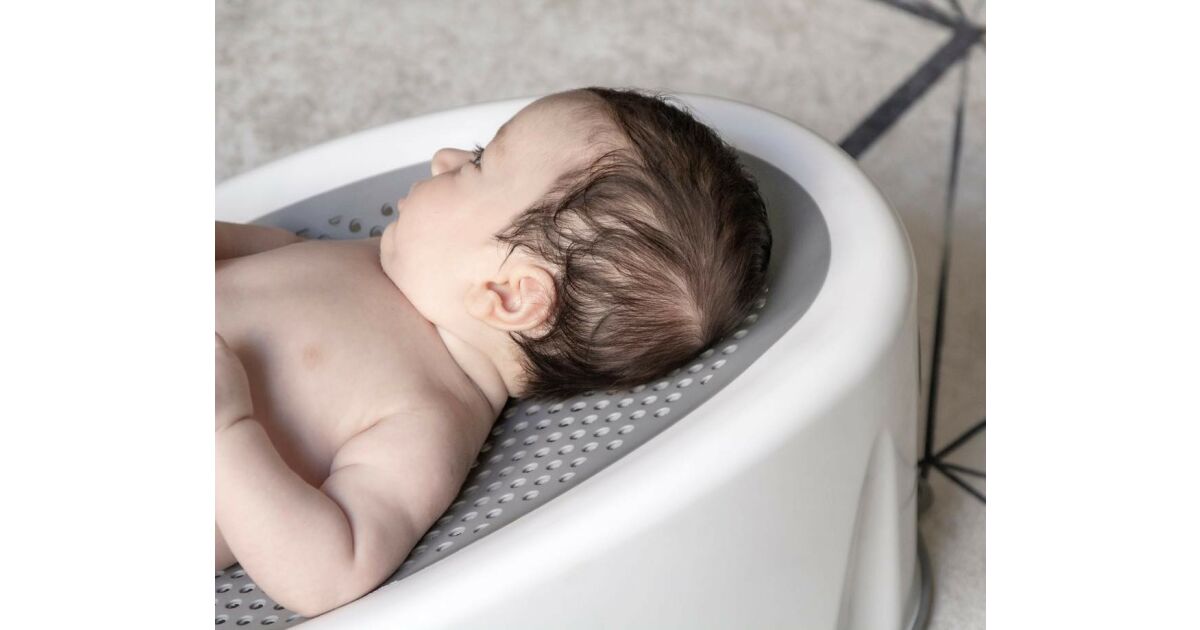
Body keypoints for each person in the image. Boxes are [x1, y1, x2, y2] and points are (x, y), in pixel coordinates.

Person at [215, 86, 772, 617]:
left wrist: (226, 429)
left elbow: (330, 571)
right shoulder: (380, 259)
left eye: (478, 163)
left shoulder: (428, 417)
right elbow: (273, 254)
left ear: (508, 295)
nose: (445, 158)